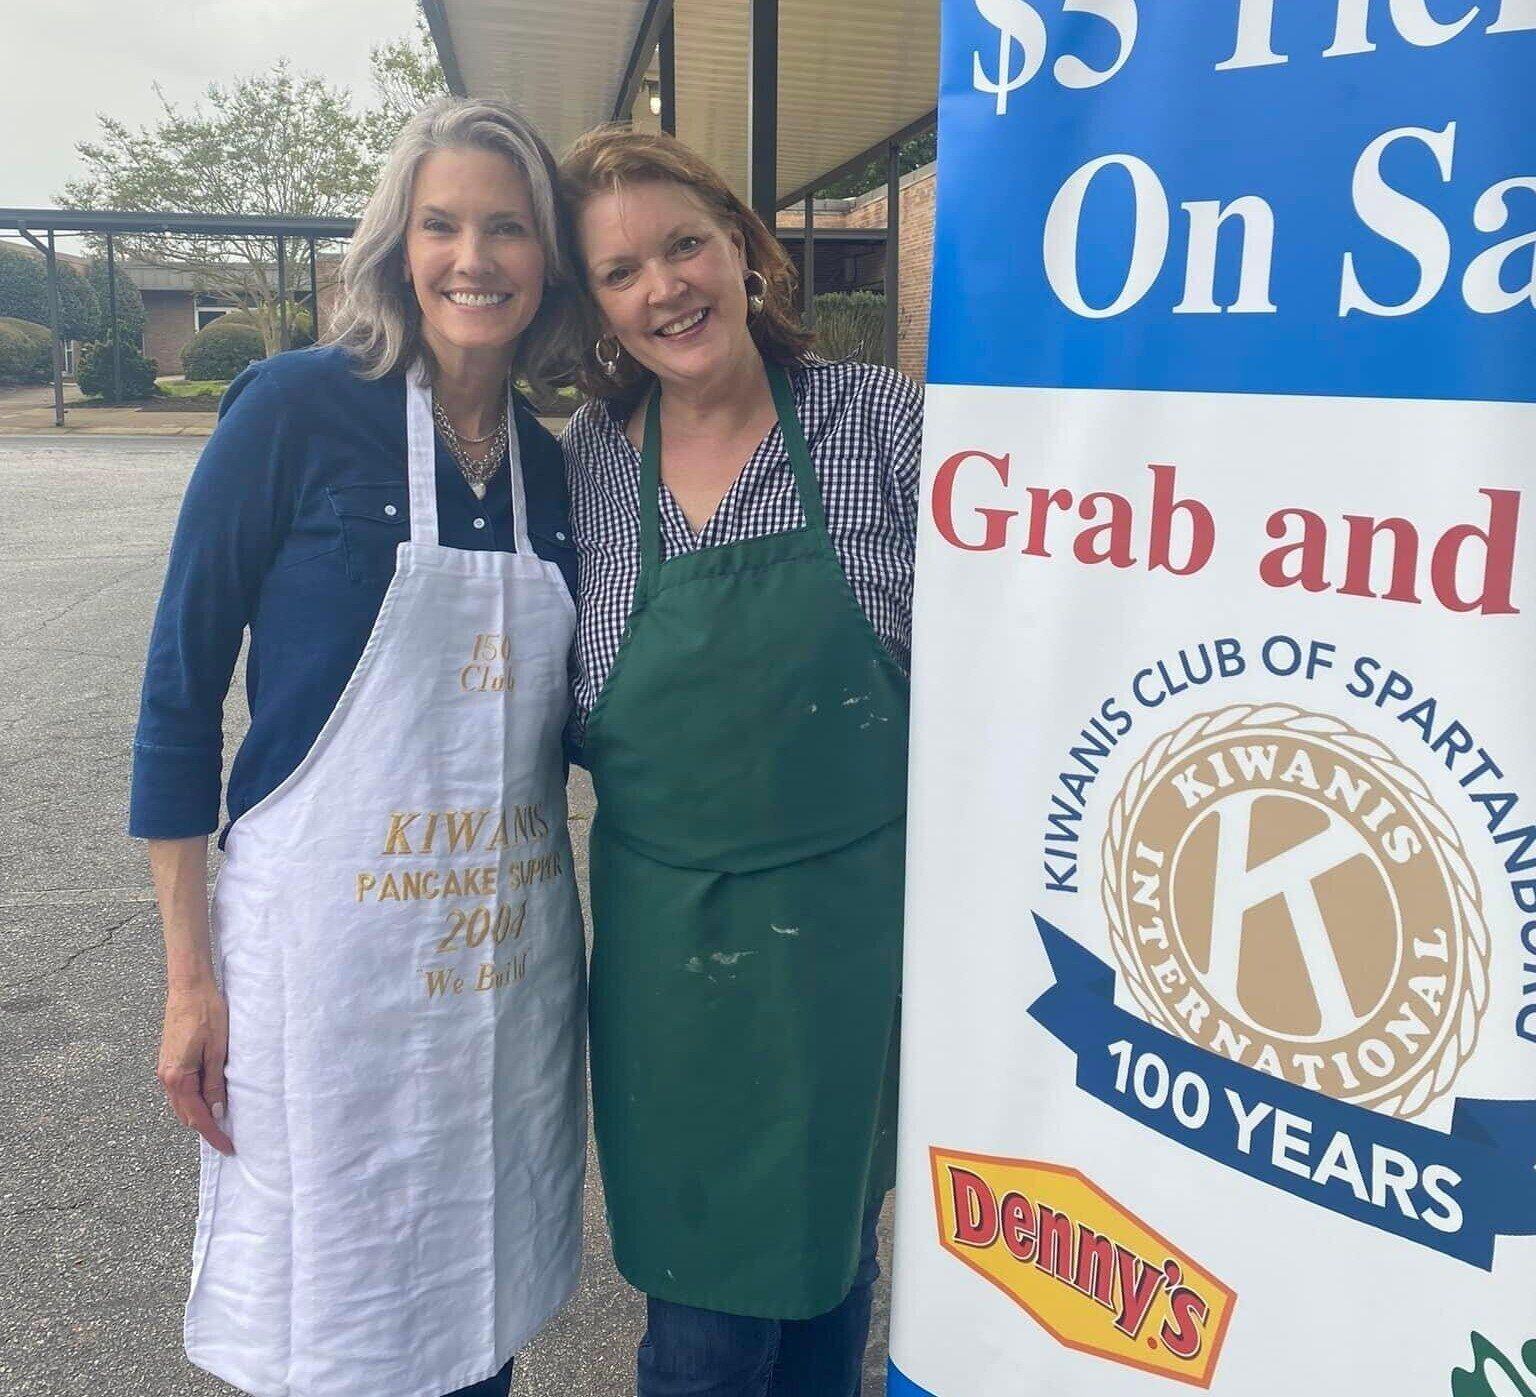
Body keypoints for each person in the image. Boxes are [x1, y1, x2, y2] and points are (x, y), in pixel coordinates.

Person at [131, 97, 586, 1397]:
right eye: (441, 224)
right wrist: (188, 977)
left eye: (507, 228)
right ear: (396, 245)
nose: (473, 257)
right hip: (325, 979)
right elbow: (178, 695)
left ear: (544, 259)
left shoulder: (553, 471)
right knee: (333, 1310)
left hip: (504, 969)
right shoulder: (292, 411)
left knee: (474, 1296)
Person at [559, 126, 922, 1396]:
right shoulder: (587, 467)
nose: (663, 286)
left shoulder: (883, 422)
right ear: (596, 304)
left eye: (683, 245)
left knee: (833, 1277)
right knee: (707, 1341)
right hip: (674, 967)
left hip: (852, 942)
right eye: (619, 270)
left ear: (741, 250)